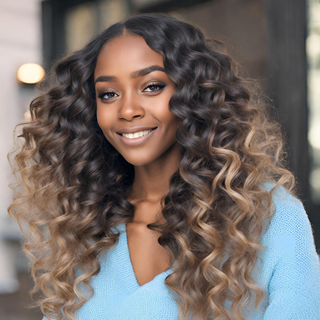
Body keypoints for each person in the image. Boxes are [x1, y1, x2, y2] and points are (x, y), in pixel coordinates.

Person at [7, 12, 320, 320]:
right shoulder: (82, 227)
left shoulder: (269, 216)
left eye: (152, 86)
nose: (127, 110)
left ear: (193, 95)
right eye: (109, 94)